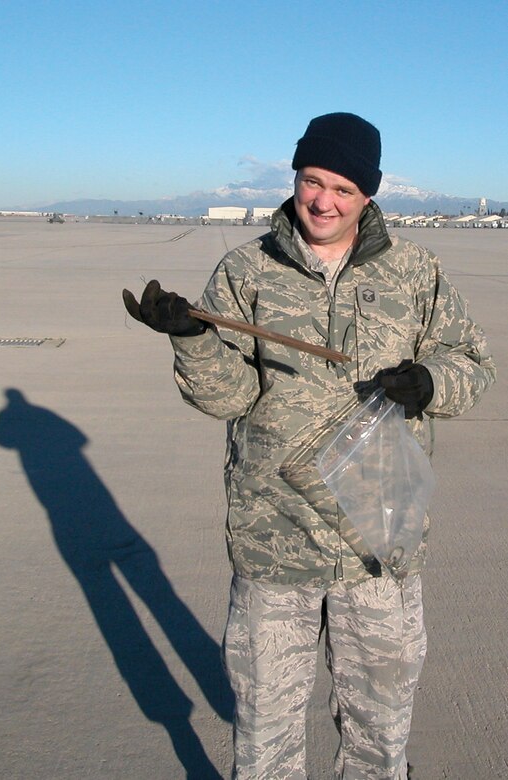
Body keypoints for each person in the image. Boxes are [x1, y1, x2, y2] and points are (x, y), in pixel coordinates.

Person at [123, 112, 496, 780]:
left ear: (368, 197)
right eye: (311, 180)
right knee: (263, 737)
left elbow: (471, 363)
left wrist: (429, 380)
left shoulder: (415, 271)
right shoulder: (245, 270)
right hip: (274, 537)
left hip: (377, 540)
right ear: (295, 177)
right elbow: (226, 398)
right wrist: (192, 339)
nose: (321, 200)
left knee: (378, 737)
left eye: (342, 189)